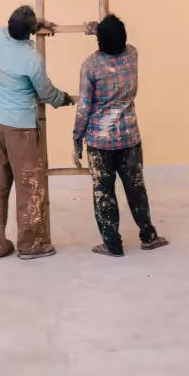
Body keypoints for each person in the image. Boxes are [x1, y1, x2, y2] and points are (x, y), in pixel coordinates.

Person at [73, 14, 168, 257]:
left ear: (99, 41)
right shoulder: (132, 55)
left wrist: (76, 139)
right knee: (136, 187)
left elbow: (84, 107)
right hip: (129, 138)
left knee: (104, 191)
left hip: (99, 141)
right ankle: (148, 236)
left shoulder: (90, 66)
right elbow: (118, 42)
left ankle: (112, 244)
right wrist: (101, 31)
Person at [0, 4, 74, 260]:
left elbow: (8, 30)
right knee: (29, 185)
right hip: (19, 129)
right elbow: (46, 93)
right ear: (29, 33)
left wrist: (33, 24)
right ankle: (31, 244)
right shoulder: (31, 59)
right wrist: (64, 99)